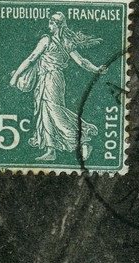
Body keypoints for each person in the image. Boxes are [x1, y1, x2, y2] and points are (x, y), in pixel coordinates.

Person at [9, 13, 107, 162]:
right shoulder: (66, 42)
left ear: (56, 24)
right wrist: (96, 69)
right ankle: (51, 150)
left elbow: (31, 58)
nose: (49, 25)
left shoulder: (47, 40)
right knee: (45, 112)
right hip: (49, 79)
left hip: (51, 79)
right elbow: (82, 61)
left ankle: (83, 140)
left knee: (55, 112)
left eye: (51, 22)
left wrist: (15, 76)